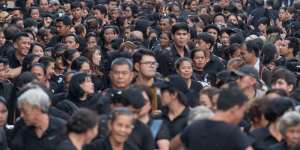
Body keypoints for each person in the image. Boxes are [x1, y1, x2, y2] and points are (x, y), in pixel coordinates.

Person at [170, 87, 253, 150]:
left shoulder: (195, 126)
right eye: (242, 111)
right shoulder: (233, 132)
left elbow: (171, 146)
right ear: (235, 109)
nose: (242, 115)